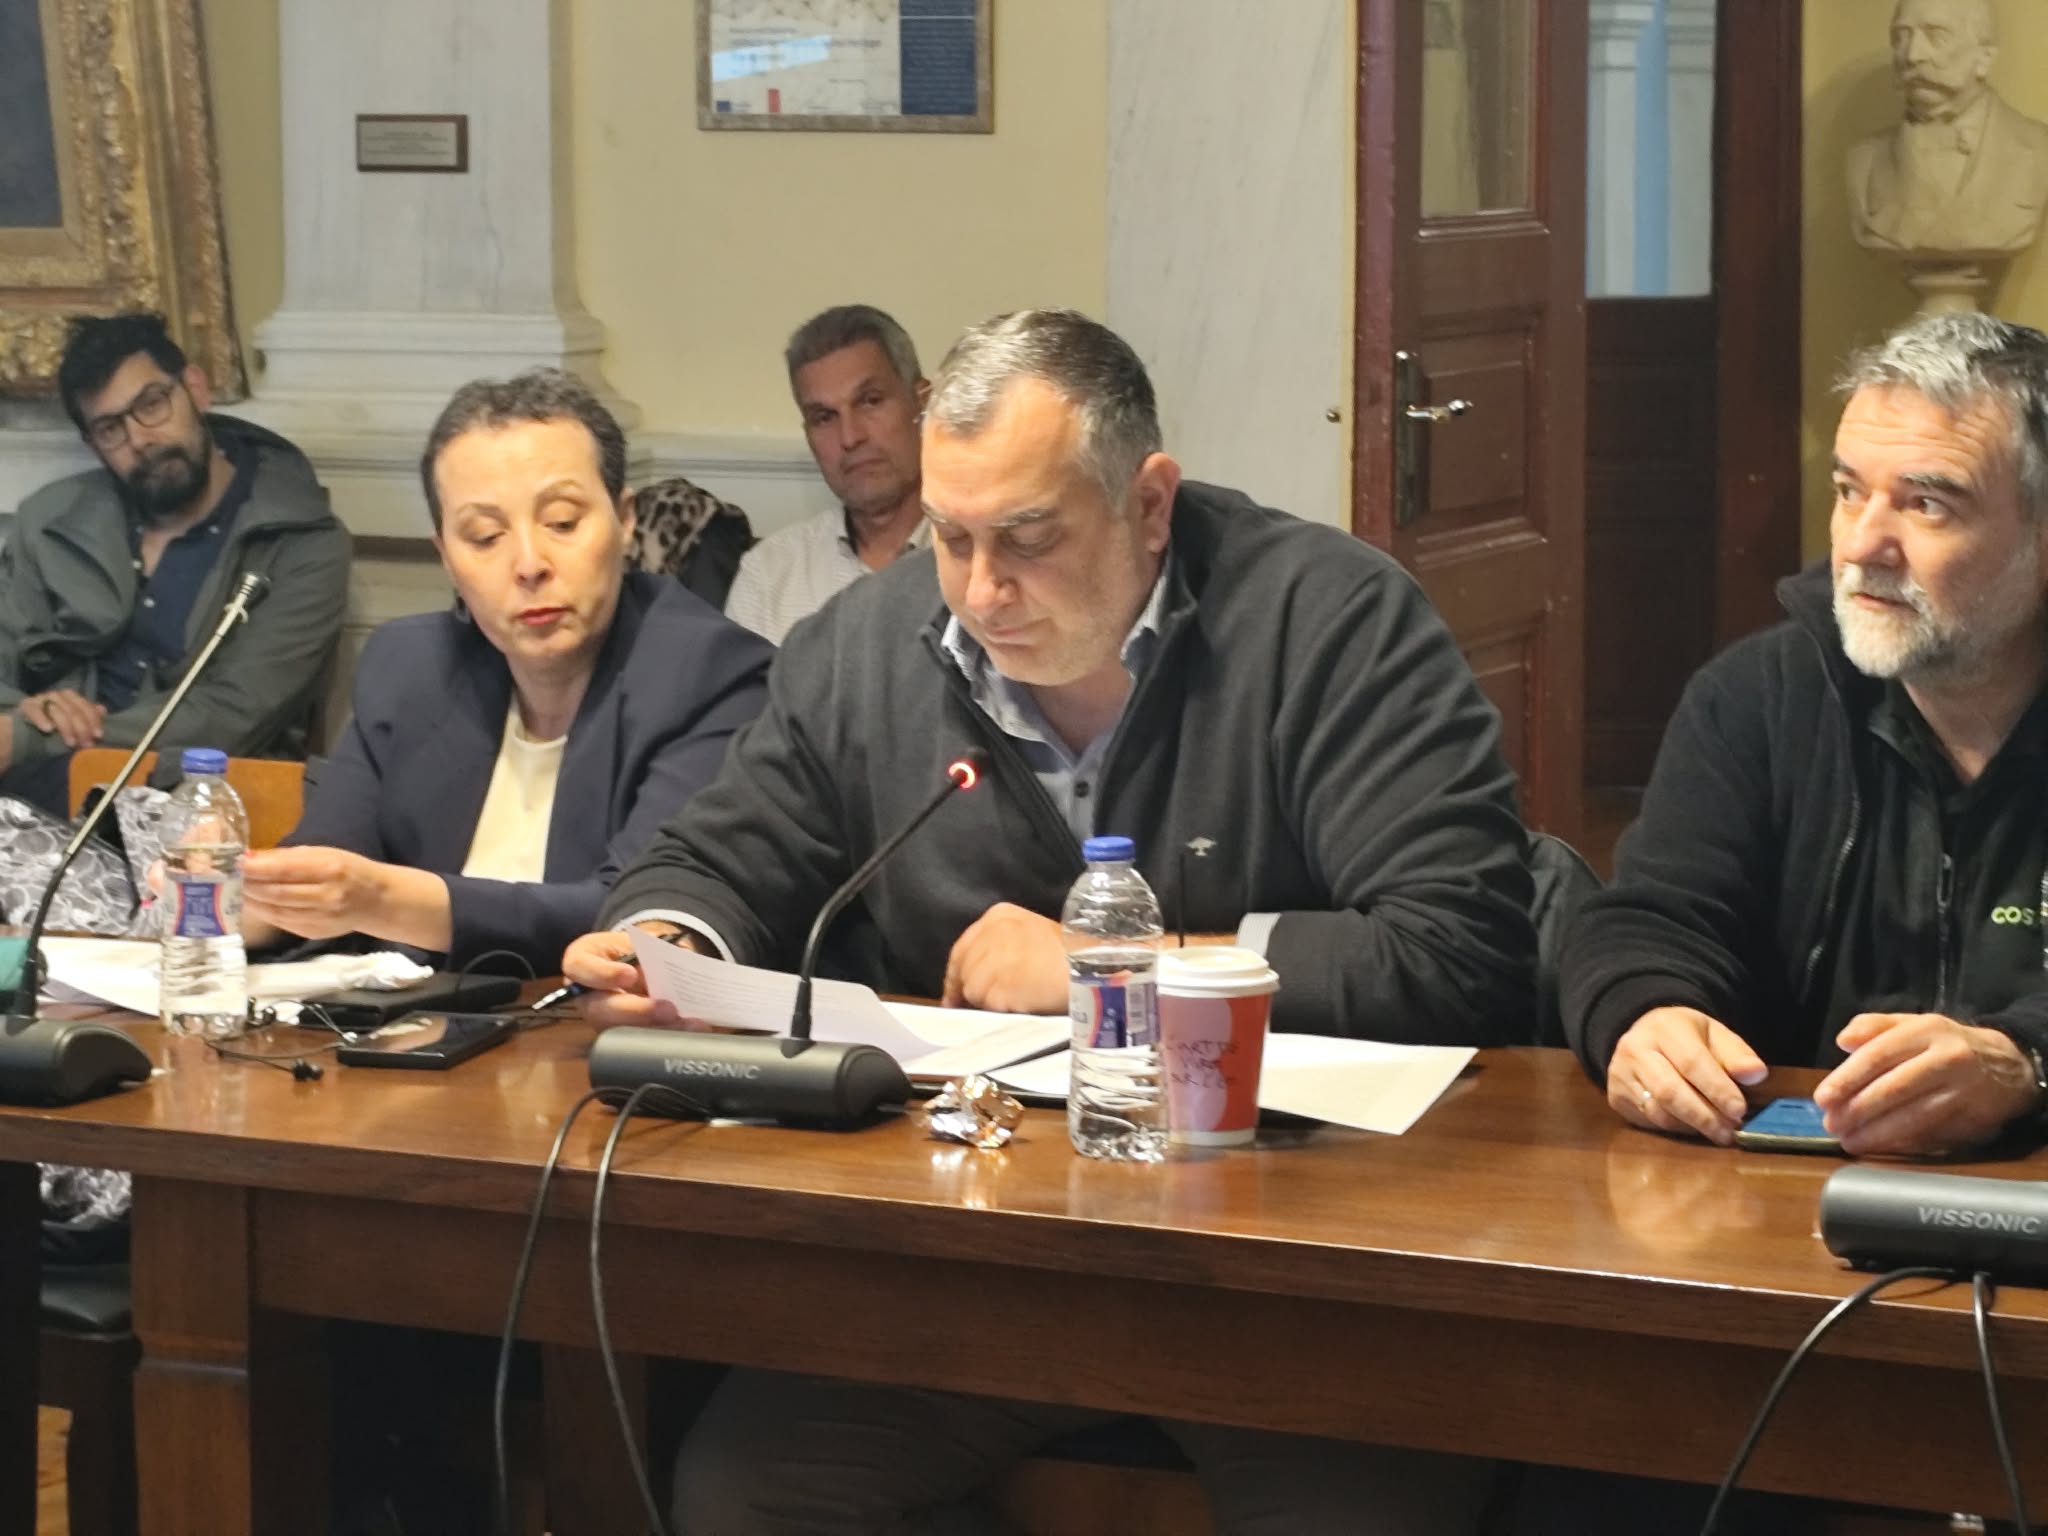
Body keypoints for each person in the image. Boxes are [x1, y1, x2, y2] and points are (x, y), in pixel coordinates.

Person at [564, 308, 1533, 1534]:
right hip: (985, 1264)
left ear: (1148, 504)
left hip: (1299, 1273)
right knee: (743, 1494)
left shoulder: (1328, 622)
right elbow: (719, 857)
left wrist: (1109, 969)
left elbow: (1455, 951)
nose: (981, 590)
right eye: (949, 536)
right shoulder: (865, 649)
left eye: (1027, 538)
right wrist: (667, 949)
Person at [1563, 311, 2048, 1158]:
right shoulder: (1758, 695)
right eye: (1850, 490)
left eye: (1927, 504)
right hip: (1780, 1191)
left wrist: (2025, 1062)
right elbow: (1650, 921)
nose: (1863, 544)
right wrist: (1646, 1013)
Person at [238, 368, 773, 974]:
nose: (529, 563)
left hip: (590, 1024)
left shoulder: (713, 675)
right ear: (446, 556)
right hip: (418, 1022)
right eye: (485, 536)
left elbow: (641, 912)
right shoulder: (408, 667)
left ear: (624, 521)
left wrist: (382, 900)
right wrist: (235, 899)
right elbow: (329, 864)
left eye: (562, 523)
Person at [0, 312, 349, 816]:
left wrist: (36, 736)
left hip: (195, 805)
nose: (141, 439)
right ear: (93, 446)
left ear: (195, 390)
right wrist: (28, 710)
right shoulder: (48, 522)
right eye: (110, 429)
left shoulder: (302, 543)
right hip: (35, 797)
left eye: (151, 404)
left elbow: (233, 716)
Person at [723, 304, 931, 644]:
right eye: (824, 418)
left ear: (923, 403)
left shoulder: (988, 559)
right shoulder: (769, 575)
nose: (850, 437)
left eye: (870, 401)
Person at [1846, 0, 2048, 257]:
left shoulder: (2038, 148)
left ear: (1984, 57)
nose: (1912, 55)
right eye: (1901, 36)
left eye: (1936, 36)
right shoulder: (1863, 161)